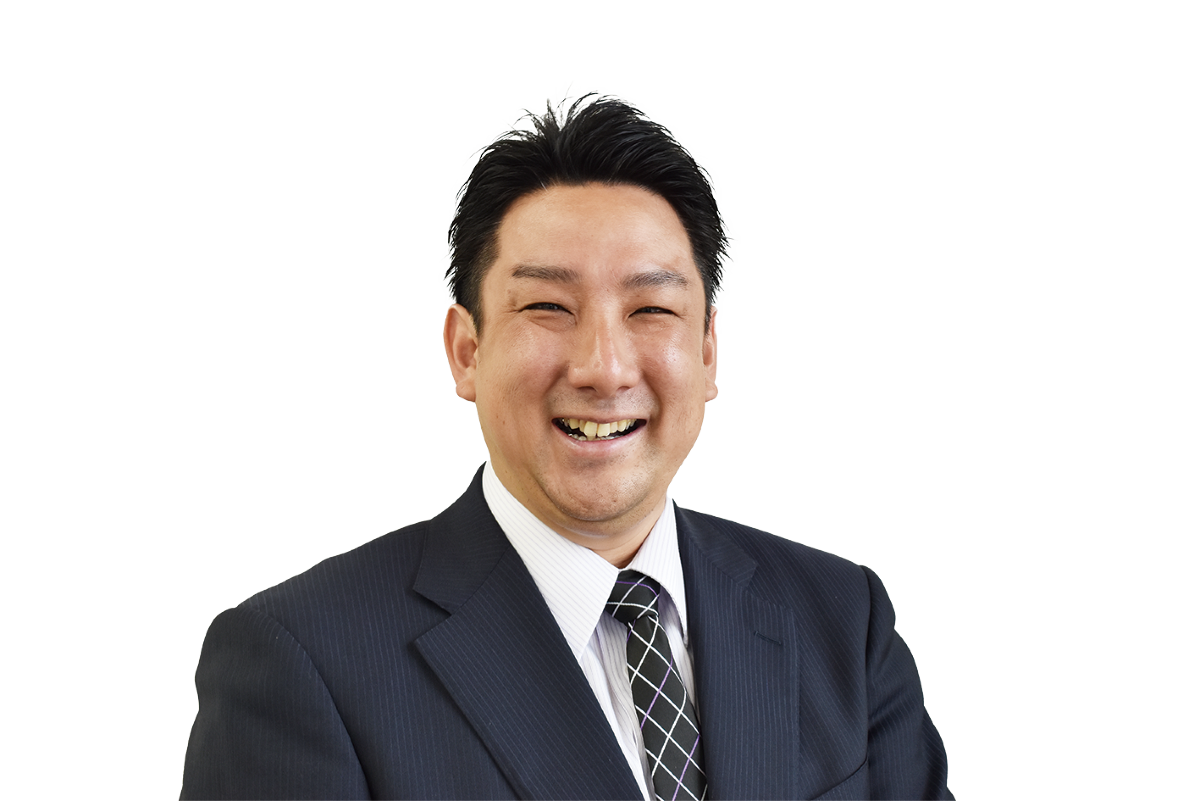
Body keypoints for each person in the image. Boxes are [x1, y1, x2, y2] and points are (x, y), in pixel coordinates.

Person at [179, 82, 952, 800]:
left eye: (651, 310)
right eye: (548, 307)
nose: (603, 368)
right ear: (465, 350)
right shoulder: (300, 660)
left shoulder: (841, 617)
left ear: (708, 349)